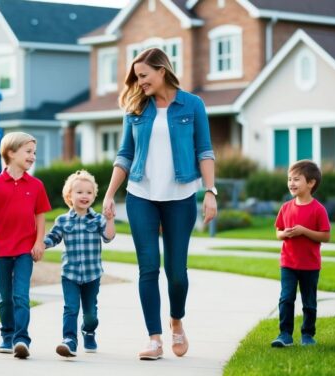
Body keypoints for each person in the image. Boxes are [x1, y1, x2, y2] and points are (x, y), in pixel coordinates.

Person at [102, 47, 217, 360]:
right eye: (136, 77)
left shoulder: (192, 105)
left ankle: (176, 321)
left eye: (144, 76)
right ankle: (154, 338)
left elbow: (204, 150)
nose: (139, 83)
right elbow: (124, 155)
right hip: (141, 196)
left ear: (162, 70)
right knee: (148, 267)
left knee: (177, 271)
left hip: (180, 198)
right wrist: (111, 193)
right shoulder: (136, 108)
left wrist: (210, 191)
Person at [0, 132, 51, 359]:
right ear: (11, 153)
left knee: (21, 295)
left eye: (34, 153)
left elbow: (40, 216)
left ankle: (22, 339)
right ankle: (7, 335)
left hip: (25, 250)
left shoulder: (36, 185)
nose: (33, 156)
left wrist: (39, 241)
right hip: (1, 248)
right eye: (28, 152)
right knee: (4, 296)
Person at [44, 170, 116, 357]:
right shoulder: (63, 220)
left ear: (94, 196)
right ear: (69, 196)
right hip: (70, 274)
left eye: (89, 192)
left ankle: (88, 330)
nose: (85, 196)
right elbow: (53, 237)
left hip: (92, 274)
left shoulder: (98, 219)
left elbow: (108, 237)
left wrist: (110, 219)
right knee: (71, 307)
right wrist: (41, 244)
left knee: (90, 313)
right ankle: (69, 340)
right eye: (80, 192)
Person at [271, 160, 331, 348]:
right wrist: (284, 234)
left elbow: (326, 236)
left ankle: (307, 335)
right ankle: (285, 334)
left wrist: (304, 231)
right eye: (289, 179)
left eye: (296, 179)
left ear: (311, 183)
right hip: (288, 263)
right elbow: (278, 231)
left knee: (309, 302)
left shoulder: (318, 209)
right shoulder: (286, 207)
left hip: (310, 265)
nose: (291, 183)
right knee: (286, 298)